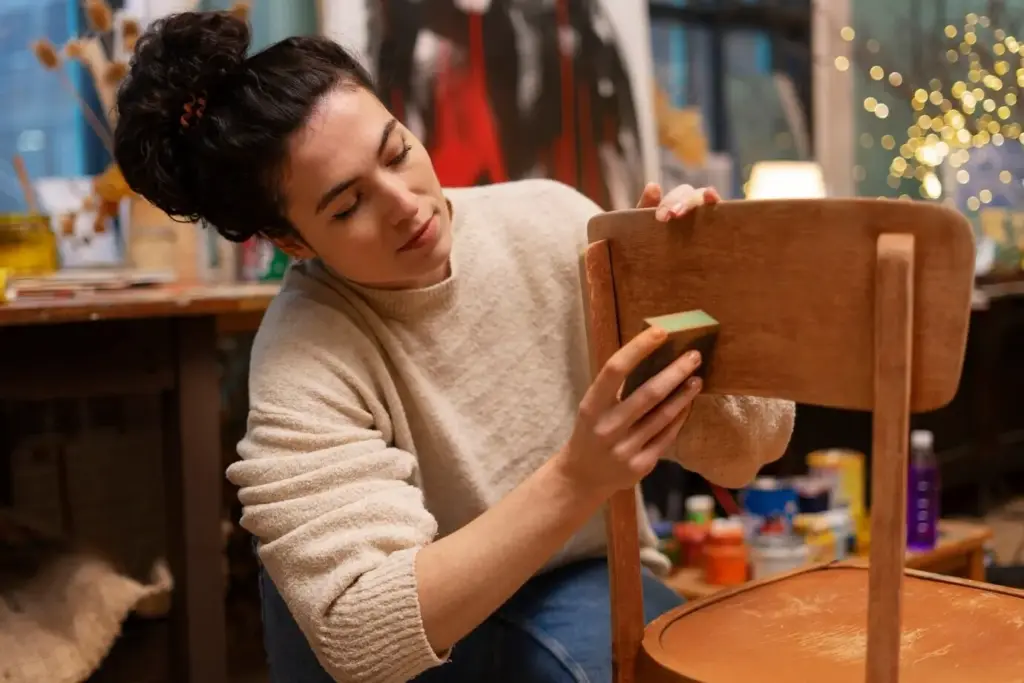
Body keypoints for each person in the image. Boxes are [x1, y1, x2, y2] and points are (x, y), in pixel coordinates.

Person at [113, 11, 795, 683]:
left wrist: (697, 290)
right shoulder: (305, 352)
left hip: (582, 575)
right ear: (293, 241)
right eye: (348, 206)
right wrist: (578, 477)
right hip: (421, 623)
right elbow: (361, 633)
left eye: (397, 152)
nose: (404, 204)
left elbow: (750, 449)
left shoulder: (554, 222)